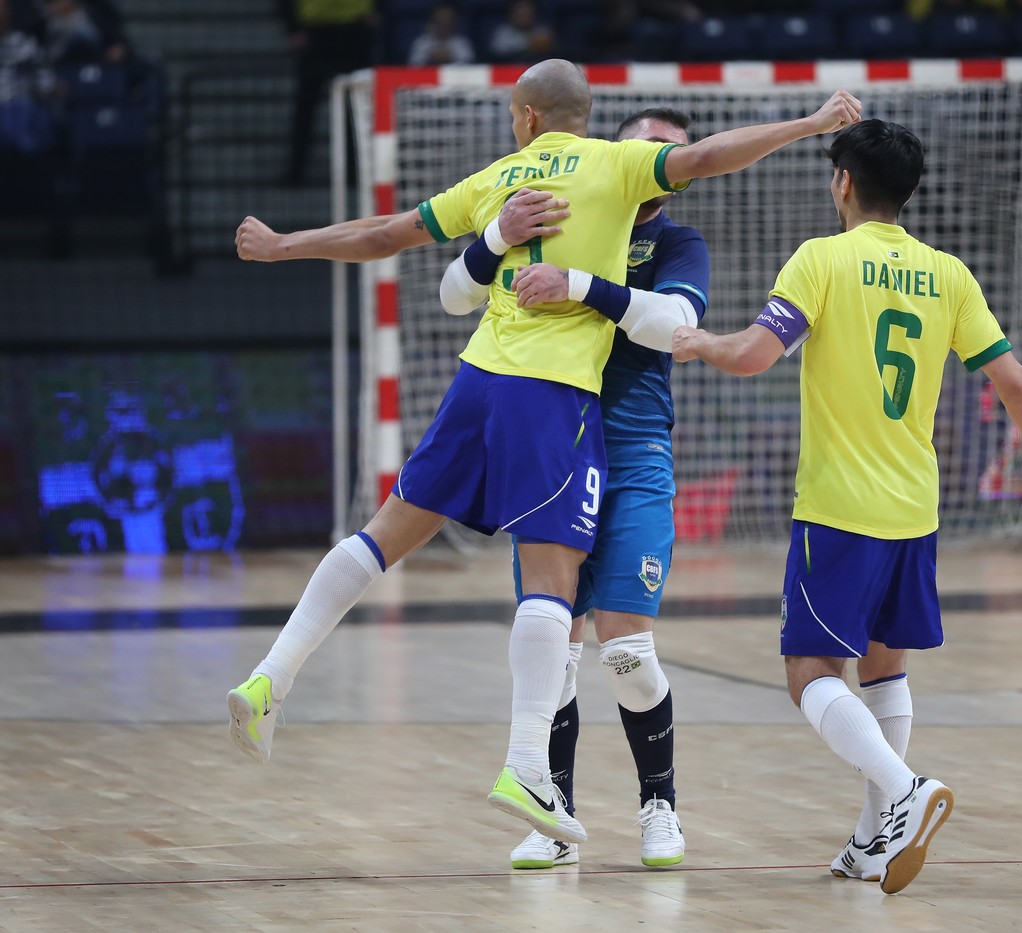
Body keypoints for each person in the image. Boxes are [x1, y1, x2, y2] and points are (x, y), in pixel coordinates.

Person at [228, 58, 862, 850]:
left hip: (477, 379)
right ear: (586, 115)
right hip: (552, 394)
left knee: (381, 535)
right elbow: (708, 156)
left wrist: (284, 243)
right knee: (554, 588)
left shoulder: (501, 175)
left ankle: (272, 676)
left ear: (527, 116)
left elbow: (386, 234)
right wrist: (808, 125)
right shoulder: (614, 163)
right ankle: (529, 762)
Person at [671, 118, 1022, 895]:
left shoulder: (822, 258)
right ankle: (869, 842)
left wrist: (700, 343)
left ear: (843, 183)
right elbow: (1015, 382)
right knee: (885, 665)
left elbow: (756, 355)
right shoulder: (948, 273)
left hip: (839, 507)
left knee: (809, 670)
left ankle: (906, 789)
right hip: (915, 509)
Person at [438, 107, 707, 870]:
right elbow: (455, 289)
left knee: (626, 650)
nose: (659, 161)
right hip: (551, 440)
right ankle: (552, 813)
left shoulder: (676, 243)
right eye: (646, 147)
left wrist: (581, 286)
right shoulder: (558, 212)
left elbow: (675, 325)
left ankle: (659, 802)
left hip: (632, 446)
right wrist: (490, 242)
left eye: (674, 155)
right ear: (605, 154)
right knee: (552, 643)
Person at [278, 0, 374, 186]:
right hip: (314, 30)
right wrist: (292, 26)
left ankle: (356, 172)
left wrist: (378, 10)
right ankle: (296, 171)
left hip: (354, 27)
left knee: (355, 105)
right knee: (306, 107)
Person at [407, 2, 474, 67]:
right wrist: (430, 57)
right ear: (433, 21)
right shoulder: (422, 43)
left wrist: (451, 57)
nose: (444, 25)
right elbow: (413, 66)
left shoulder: (462, 43)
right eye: (440, 21)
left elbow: (469, 67)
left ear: (454, 23)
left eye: (448, 22)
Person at [488, 0, 554, 64]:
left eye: (527, 13)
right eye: (521, 13)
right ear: (513, 13)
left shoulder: (542, 31)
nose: (524, 15)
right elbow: (498, 54)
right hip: (510, 70)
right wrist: (529, 45)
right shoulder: (503, 33)